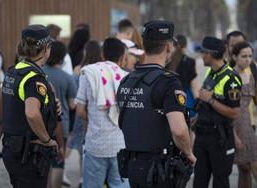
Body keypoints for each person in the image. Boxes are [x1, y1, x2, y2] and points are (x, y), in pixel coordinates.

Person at [117, 20, 196, 188]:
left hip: (133, 165)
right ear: (168, 47)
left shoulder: (126, 80)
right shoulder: (168, 82)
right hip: (158, 169)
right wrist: (189, 153)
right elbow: (179, 129)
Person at [1, 24, 61, 188]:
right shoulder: (34, 78)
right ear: (47, 48)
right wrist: (47, 140)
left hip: (12, 150)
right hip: (29, 154)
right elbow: (32, 113)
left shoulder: (14, 71)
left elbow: (5, 109)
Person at [76, 37, 129, 188]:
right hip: (120, 145)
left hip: (95, 144)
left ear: (103, 54)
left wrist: (92, 118)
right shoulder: (126, 77)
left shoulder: (89, 73)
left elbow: (79, 110)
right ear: (122, 57)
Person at [193, 36, 242, 188]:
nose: (202, 56)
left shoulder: (231, 78)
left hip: (219, 139)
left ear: (211, 54)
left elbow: (234, 113)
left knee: (220, 182)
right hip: (202, 136)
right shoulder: (211, 73)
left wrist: (211, 101)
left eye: (203, 52)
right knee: (199, 181)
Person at [67, 40, 102, 187]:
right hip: (96, 112)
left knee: (80, 143)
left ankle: (78, 175)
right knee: (89, 146)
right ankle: (84, 177)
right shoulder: (100, 69)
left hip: (81, 111)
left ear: (86, 52)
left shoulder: (79, 69)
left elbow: (74, 94)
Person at [43, 41, 77, 188]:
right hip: (61, 124)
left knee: (43, 162)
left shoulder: (39, 73)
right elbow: (72, 105)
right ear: (63, 57)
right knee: (58, 162)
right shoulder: (68, 78)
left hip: (40, 124)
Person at [230, 42, 257, 188]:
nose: (247, 60)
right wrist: (234, 135)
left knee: (247, 170)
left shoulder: (250, 75)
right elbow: (228, 109)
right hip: (235, 126)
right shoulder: (230, 76)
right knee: (244, 168)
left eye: (250, 56)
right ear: (235, 57)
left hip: (249, 125)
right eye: (244, 56)